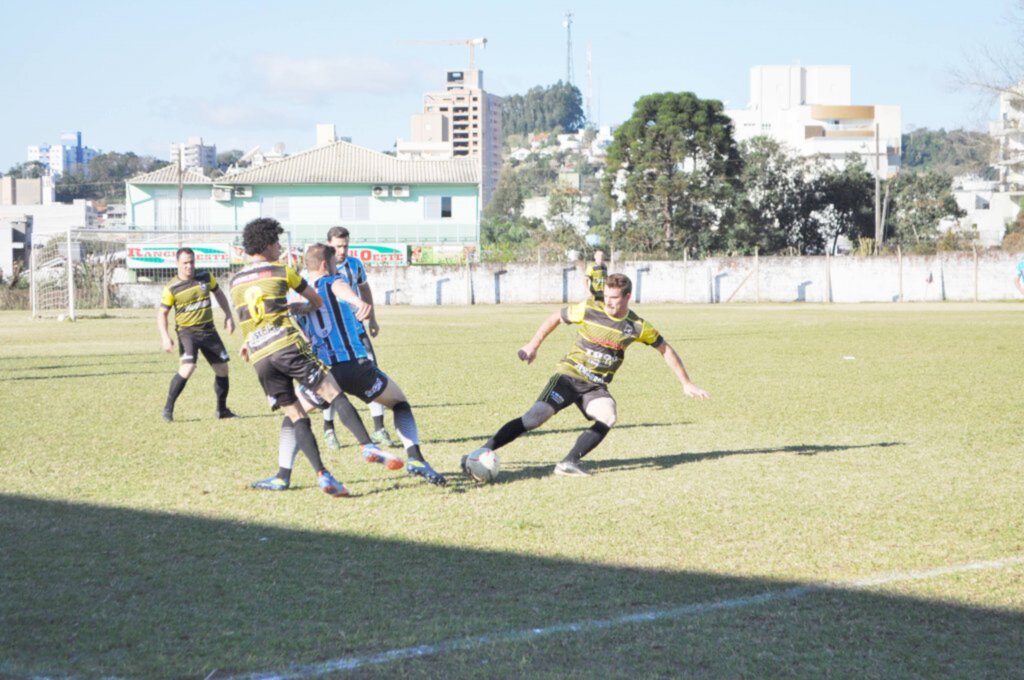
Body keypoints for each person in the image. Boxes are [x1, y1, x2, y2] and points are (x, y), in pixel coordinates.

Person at [464, 273, 710, 477]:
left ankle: (568, 463)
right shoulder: (589, 309)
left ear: (627, 297)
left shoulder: (637, 326)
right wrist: (532, 345)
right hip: (569, 375)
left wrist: (686, 383)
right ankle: (481, 452)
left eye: (614, 298)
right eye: (606, 297)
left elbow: (664, 349)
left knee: (608, 415)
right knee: (534, 418)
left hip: (595, 386)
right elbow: (555, 318)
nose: (608, 302)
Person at [229, 217, 366, 497]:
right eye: (277, 241)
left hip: (259, 357)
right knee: (333, 393)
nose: (280, 246)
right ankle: (368, 445)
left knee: (295, 414)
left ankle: (321, 474)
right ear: (267, 244)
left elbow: (248, 319)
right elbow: (314, 300)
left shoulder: (236, 281)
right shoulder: (282, 271)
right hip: (287, 346)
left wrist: (248, 342)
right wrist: (298, 308)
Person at [297, 243, 447, 486]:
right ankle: (416, 458)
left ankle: (288, 474)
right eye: (335, 264)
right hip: (355, 366)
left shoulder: (298, 295)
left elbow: (304, 335)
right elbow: (338, 286)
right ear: (326, 265)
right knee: (399, 402)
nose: (337, 269)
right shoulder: (330, 281)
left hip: (324, 375)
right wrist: (357, 301)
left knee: (293, 415)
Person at [318, 226, 397, 450]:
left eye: (345, 245)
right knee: (328, 380)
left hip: (357, 331)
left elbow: (365, 289)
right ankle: (329, 430)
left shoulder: (355, 265)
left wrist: (372, 317)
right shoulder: (320, 268)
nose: (342, 250)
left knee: (371, 373)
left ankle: (379, 428)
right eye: (338, 246)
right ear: (329, 244)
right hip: (330, 336)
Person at [157, 247, 236, 421]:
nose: (189, 266)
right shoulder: (172, 288)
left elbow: (219, 294)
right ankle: (168, 409)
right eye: (185, 263)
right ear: (177, 263)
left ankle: (222, 410)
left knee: (223, 369)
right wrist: (165, 336)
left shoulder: (205, 277)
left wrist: (229, 315)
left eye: (191, 262)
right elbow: (162, 314)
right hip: (187, 333)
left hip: (209, 331)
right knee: (188, 367)